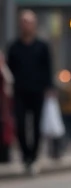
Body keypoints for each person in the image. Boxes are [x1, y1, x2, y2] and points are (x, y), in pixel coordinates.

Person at [7, 11, 53, 174]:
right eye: (24, 22)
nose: (26, 25)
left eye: (29, 22)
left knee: (36, 124)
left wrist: (49, 88)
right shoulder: (14, 47)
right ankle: (25, 155)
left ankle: (34, 156)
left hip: (37, 91)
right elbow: (9, 69)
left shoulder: (42, 46)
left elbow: (48, 68)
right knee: (19, 124)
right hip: (19, 91)